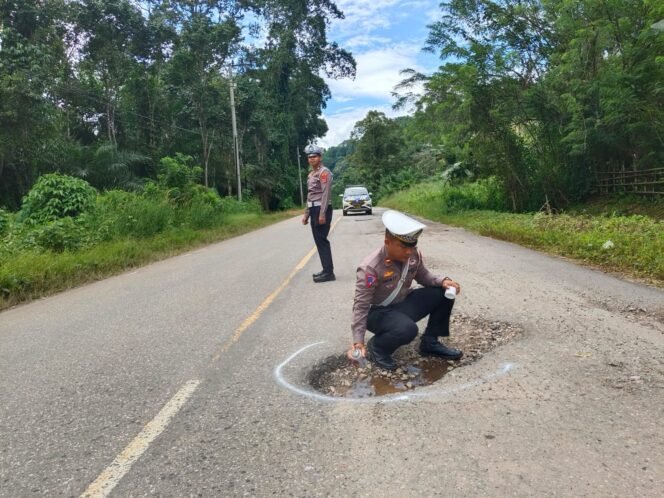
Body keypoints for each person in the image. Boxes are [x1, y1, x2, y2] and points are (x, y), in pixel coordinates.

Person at [347, 210, 463, 370]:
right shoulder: (370, 268)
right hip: (378, 313)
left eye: (412, 246)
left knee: (443, 293)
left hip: (401, 305)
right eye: (403, 246)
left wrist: (443, 281)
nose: (409, 252)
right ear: (387, 241)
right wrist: (358, 342)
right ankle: (378, 348)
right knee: (408, 329)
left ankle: (430, 342)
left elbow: (424, 276)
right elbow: (360, 306)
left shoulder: (413, 255)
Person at [301, 145, 335, 283]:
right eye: (309, 157)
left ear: (320, 157)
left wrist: (322, 214)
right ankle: (326, 270)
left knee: (322, 240)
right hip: (313, 209)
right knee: (319, 242)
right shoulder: (311, 174)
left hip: (322, 209)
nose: (311, 159)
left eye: (314, 156)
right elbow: (310, 196)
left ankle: (329, 272)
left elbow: (325, 194)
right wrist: (306, 214)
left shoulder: (324, 173)